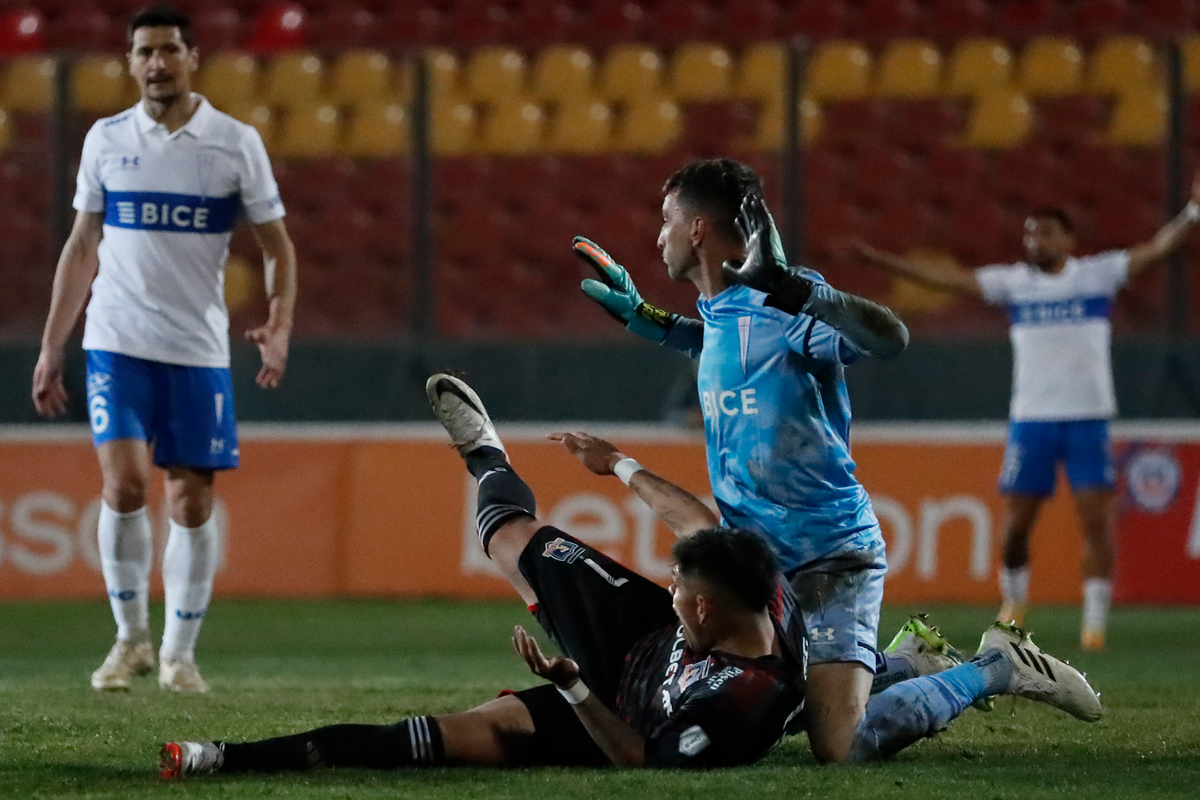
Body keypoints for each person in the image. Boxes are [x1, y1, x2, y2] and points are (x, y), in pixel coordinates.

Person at [159, 374, 1102, 779]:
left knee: (842, 742)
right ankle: (485, 452)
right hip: (636, 651)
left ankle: (986, 667)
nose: (679, 584)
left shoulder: (735, 705)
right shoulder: (721, 594)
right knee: (511, 539)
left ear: (719, 606)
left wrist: (568, 685)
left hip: (619, 711)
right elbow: (694, 523)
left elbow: (642, 764)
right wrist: (616, 468)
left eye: (689, 589)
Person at [575, 159, 916, 764]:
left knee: (838, 747)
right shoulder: (722, 308)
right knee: (731, 701)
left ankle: (991, 668)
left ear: (699, 229)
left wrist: (796, 290)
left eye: (666, 222)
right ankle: (903, 662)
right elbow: (717, 337)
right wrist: (645, 318)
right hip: (758, 566)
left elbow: (890, 340)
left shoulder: (782, 303)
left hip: (828, 555)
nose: (660, 237)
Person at [30, 5, 297, 693]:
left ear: (191, 57)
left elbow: (276, 246)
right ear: (130, 61)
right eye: (144, 51)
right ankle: (130, 641)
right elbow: (83, 243)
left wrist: (280, 320)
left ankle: (179, 654)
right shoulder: (106, 139)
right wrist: (52, 345)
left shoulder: (234, 143)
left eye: (169, 50)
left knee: (191, 503)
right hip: (115, 341)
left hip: (197, 348)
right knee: (121, 485)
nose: (156, 63)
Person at [845, 182, 1200, 652]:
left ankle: (1093, 626)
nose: (1035, 241)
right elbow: (949, 281)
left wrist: (1193, 212)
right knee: (1015, 527)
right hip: (1032, 420)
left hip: (1087, 419)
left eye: (1047, 233)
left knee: (1095, 522)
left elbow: (1156, 251)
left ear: (1069, 241)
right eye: (1030, 233)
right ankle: (1014, 603)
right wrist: (879, 261)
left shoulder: (1096, 276)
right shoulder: (1014, 284)